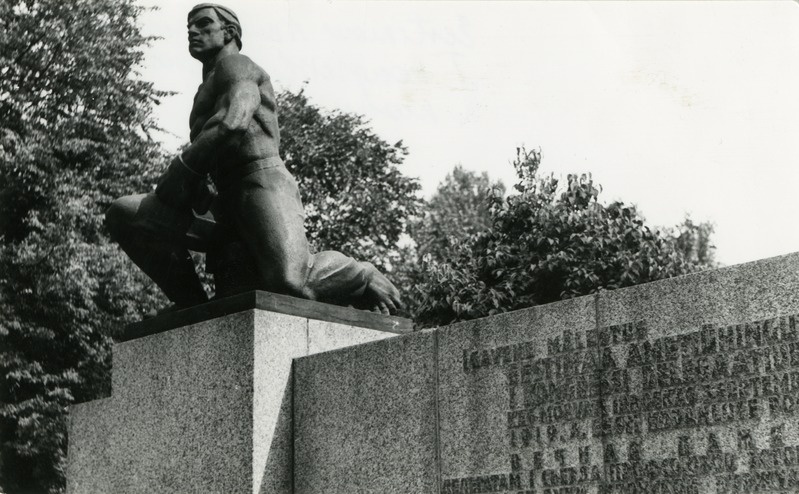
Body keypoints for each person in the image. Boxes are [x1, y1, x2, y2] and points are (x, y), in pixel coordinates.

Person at [106, 3, 402, 315]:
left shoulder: (238, 66)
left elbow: (234, 123)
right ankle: (191, 305)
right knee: (126, 214)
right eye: (189, 27)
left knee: (291, 282)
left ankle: (362, 274)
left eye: (204, 24)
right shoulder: (201, 91)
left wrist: (181, 171)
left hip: (260, 184)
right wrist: (193, 190)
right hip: (223, 205)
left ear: (229, 31)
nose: (193, 31)